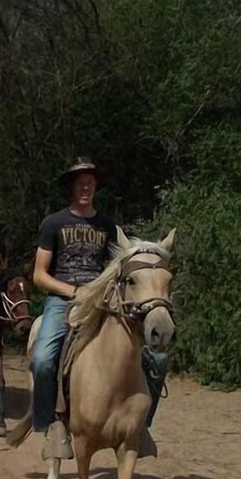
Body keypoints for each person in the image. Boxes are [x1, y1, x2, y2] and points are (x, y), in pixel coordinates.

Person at [29, 156, 162, 460]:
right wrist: (74, 291)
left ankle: (141, 426)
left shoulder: (108, 226)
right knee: (42, 360)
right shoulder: (54, 223)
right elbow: (39, 275)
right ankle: (51, 424)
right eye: (80, 181)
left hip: (105, 302)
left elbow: (121, 269)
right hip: (63, 300)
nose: (86, 186)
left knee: (157, 359)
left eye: (90, 181)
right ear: (71, 187)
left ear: (96, 186)